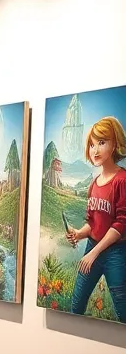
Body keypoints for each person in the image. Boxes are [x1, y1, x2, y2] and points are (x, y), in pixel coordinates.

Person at [67, 116, 126, 318]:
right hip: (92, 247)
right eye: (92, 144)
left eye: (102, 142)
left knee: (122, 308)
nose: (95, 150)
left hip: (115, 253)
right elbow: (92, 223)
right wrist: (78, 234)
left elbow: (121, 225)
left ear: (115, 143)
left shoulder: (122, 180)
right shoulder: (94, 184)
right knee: (76, 305)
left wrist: (94, 253)